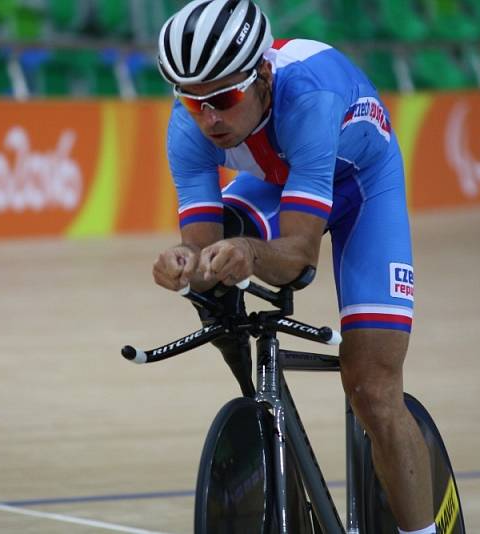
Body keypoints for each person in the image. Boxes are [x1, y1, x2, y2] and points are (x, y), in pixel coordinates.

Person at [151, 1, 435, 533]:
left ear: (260, 75)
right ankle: (260, 405)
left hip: (363, 186)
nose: (209, 118)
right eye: (193, 104)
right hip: (279, 181)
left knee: (373, 388)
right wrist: (186, 263)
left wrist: (251, 254)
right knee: (212, 284)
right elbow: (204, 252)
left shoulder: (309, 99)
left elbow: (299, 255)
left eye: (223, 99)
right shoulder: (188, 124)